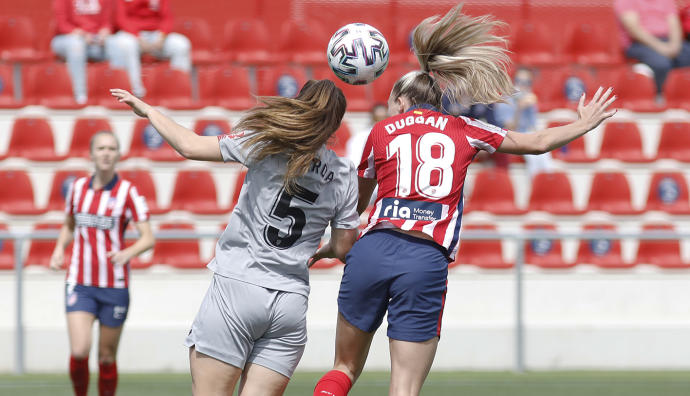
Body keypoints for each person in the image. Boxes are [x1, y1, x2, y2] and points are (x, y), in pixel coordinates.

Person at [312, 5, 617, 396]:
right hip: (424, 258)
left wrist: (335, 245)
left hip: (372, 251)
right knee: (403, 386)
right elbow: (536, 143)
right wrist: (583, 123)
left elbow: (353, 209)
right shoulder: (465, 128)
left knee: (343, 367)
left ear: (403, 103)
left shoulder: (381, 131)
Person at [111, 79, 361, 396]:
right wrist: (323, 251)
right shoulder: (344, 173)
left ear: (299, 104)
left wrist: (148, 111)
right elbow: (343, 246)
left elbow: (189, 146)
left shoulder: (268, 142)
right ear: (336, 123)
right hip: (290, 303)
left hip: (237, 288)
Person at [50, 130, 154, 396]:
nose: (106, 153)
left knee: (106, 357)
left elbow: (148, 238)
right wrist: (59, 248)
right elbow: (69, 225)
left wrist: (127, 254)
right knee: (79, 350)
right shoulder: (77, 188)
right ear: (91, 154)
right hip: (80, 282)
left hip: (114, 284)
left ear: (118, 154)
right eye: (101, 148)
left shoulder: (128, 192)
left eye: (111, 148)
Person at [110, 0, 191, 97]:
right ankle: (134, 92)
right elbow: (121, 18)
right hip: (131, 35)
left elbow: (167, 17)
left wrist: (162, 35)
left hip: (156, 34)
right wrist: (137, 37)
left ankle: (178, 91)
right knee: (126, 45)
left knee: (181, 44)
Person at [614, 0, 690, 96]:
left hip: (667, 41)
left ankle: (681, 95)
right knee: (661, 63)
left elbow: (674, 24)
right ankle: (659, 96)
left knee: (686, 57)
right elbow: (634, 30)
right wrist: (662, 48)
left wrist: (675, 46)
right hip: (639, 44)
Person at [51, 0, 117, 104]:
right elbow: (63, 25)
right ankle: (80, 95)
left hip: (95, 41)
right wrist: (82, 34)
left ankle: (123, 95)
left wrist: (105, 31)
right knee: (76, 45)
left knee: (120, 44)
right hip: (66, 39)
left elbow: (107, 22)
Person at [493, 67, 553, 178]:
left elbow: (532, 126)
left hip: (526, 136)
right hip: (509, 139)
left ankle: (547, 182)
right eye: (519, 81)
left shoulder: (529, 100)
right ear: (514, 82)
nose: (523, 85)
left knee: (545, 152)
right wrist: (519, 109)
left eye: (527, 82)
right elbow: (508, 130)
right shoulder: (504, 101)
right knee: (534, 154)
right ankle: (536, 185)